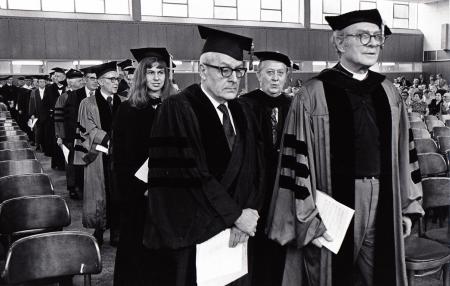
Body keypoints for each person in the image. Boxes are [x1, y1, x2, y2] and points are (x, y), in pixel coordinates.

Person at [266, 9, 424, 286]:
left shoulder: (389, 92)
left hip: (385, 198)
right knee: (330, 276)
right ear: (339, 43)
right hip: (331, 207)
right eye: (364, 36)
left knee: (380, 277)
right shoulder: (313, 94)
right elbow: (295, 165)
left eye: (377, 37)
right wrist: (307, 220)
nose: (374, 43)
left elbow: (404, 154)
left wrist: (407, 207)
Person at [142, 25, 265, 285]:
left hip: (238, 233)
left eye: (239, 70)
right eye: (224, 69)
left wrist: (249, 211)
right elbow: (188, 175)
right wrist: (235, 216)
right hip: (198, 235)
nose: (234, 78)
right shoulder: (177, 109)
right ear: (202, 71)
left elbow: (255, 169)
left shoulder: (243, 112)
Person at [112, 47, 174, 286]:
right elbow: (122, 157)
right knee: (138, 254)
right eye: (151, 72)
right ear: (142, 76)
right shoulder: (128, 110)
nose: (157, 77)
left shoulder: (176, 106)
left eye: (161, 71)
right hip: (139, 194)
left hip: (170, 192)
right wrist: (140, 188)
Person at [240, 51, 292, 286]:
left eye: (280, 73)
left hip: (284, 186)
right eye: (269, 73)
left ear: (286, 77)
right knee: (255, 248)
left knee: (281, 245)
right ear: (258, 75)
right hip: (254, 189)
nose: (275, 78)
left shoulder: (294, 106)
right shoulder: (243, 105)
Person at [76, 61, 122, 246]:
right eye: (112, 79)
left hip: (120, 156)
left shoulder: (124, 101)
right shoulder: (87, 103)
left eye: (117, 79)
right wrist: (109, 141)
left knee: (118, 191)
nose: (116, 82)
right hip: (99, 155)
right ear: (101, 82)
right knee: (99, 193)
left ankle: (117, 230)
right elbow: (87, 128)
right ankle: (99, 228)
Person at [54, 68, 85, 199]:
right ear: (70, 82)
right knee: (71, 163)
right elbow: (58, 119)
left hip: (83, 136)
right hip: (68, 136)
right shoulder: (63, 97)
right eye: (79, 81)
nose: (82, 83)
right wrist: (60, 136)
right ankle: (72, 187)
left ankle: (82, 185)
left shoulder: (85, 97)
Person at [42, 67, 67, 169]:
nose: (55, 78)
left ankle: (66, 164)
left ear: (64, 77)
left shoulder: (68, 87)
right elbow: (44, 104)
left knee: (65, 142)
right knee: (55, 142)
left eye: (58, 76)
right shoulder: (49, 88)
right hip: (54, 120)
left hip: (66, 120)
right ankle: (57, 163)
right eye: (55, 76)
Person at [28, 75, 48, 152]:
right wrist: (32, 114)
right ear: (38, 83)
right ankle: (38, 145)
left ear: (45, 83)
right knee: (38, 131)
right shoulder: (34, 92)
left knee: (46, 132)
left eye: (43, 82)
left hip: (46, 115)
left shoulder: (48, 91)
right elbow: (31, 103)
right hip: (37, 114)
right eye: (40, 82)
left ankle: (45, 146)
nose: (42, 83)